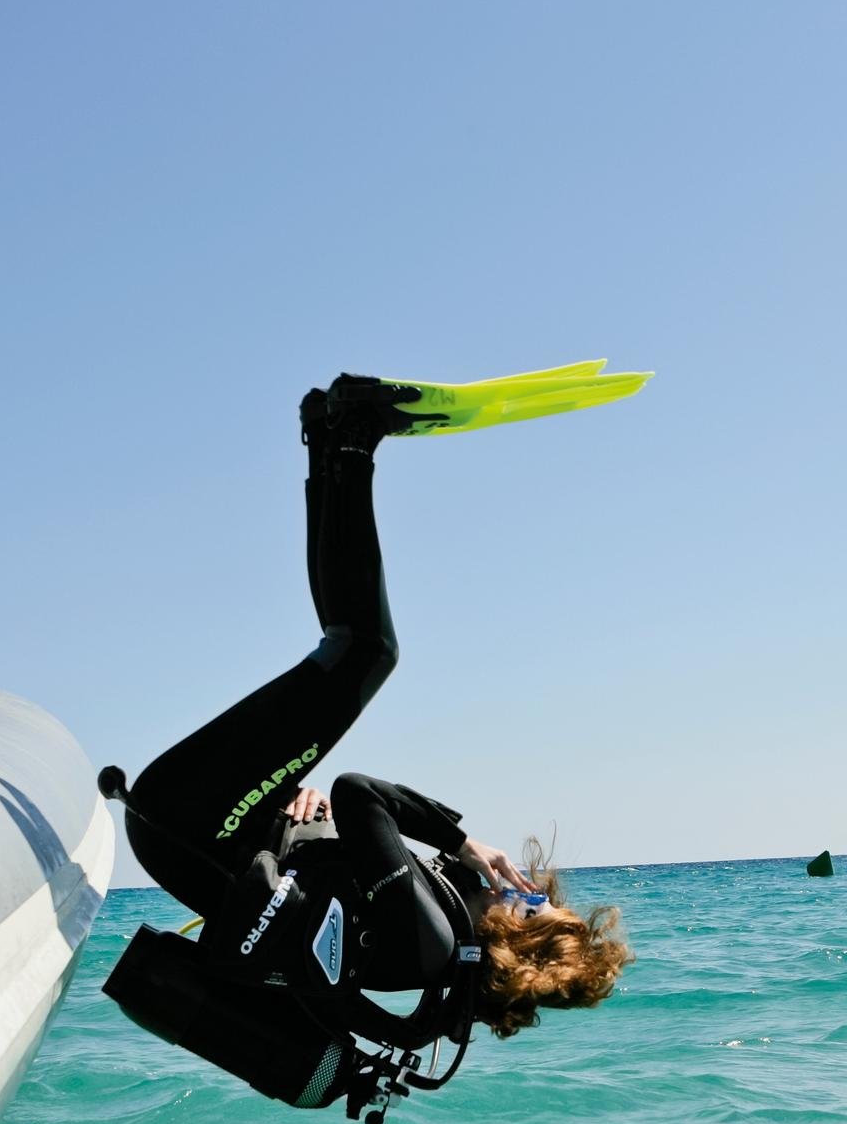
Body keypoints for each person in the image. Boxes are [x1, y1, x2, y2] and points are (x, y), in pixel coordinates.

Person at [107, 374, 633, 1055]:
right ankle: (328, 438)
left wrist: (459, 839)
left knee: (367, 652)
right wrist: (301, 812)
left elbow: (361, 794)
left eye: (534, 906)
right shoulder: (431, 948)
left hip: (189, 816)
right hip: (210, 821)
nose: (527, 889)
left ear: (521, 941)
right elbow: (331, 857)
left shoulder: (432, 940)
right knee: (347, 649)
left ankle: (353, 436)